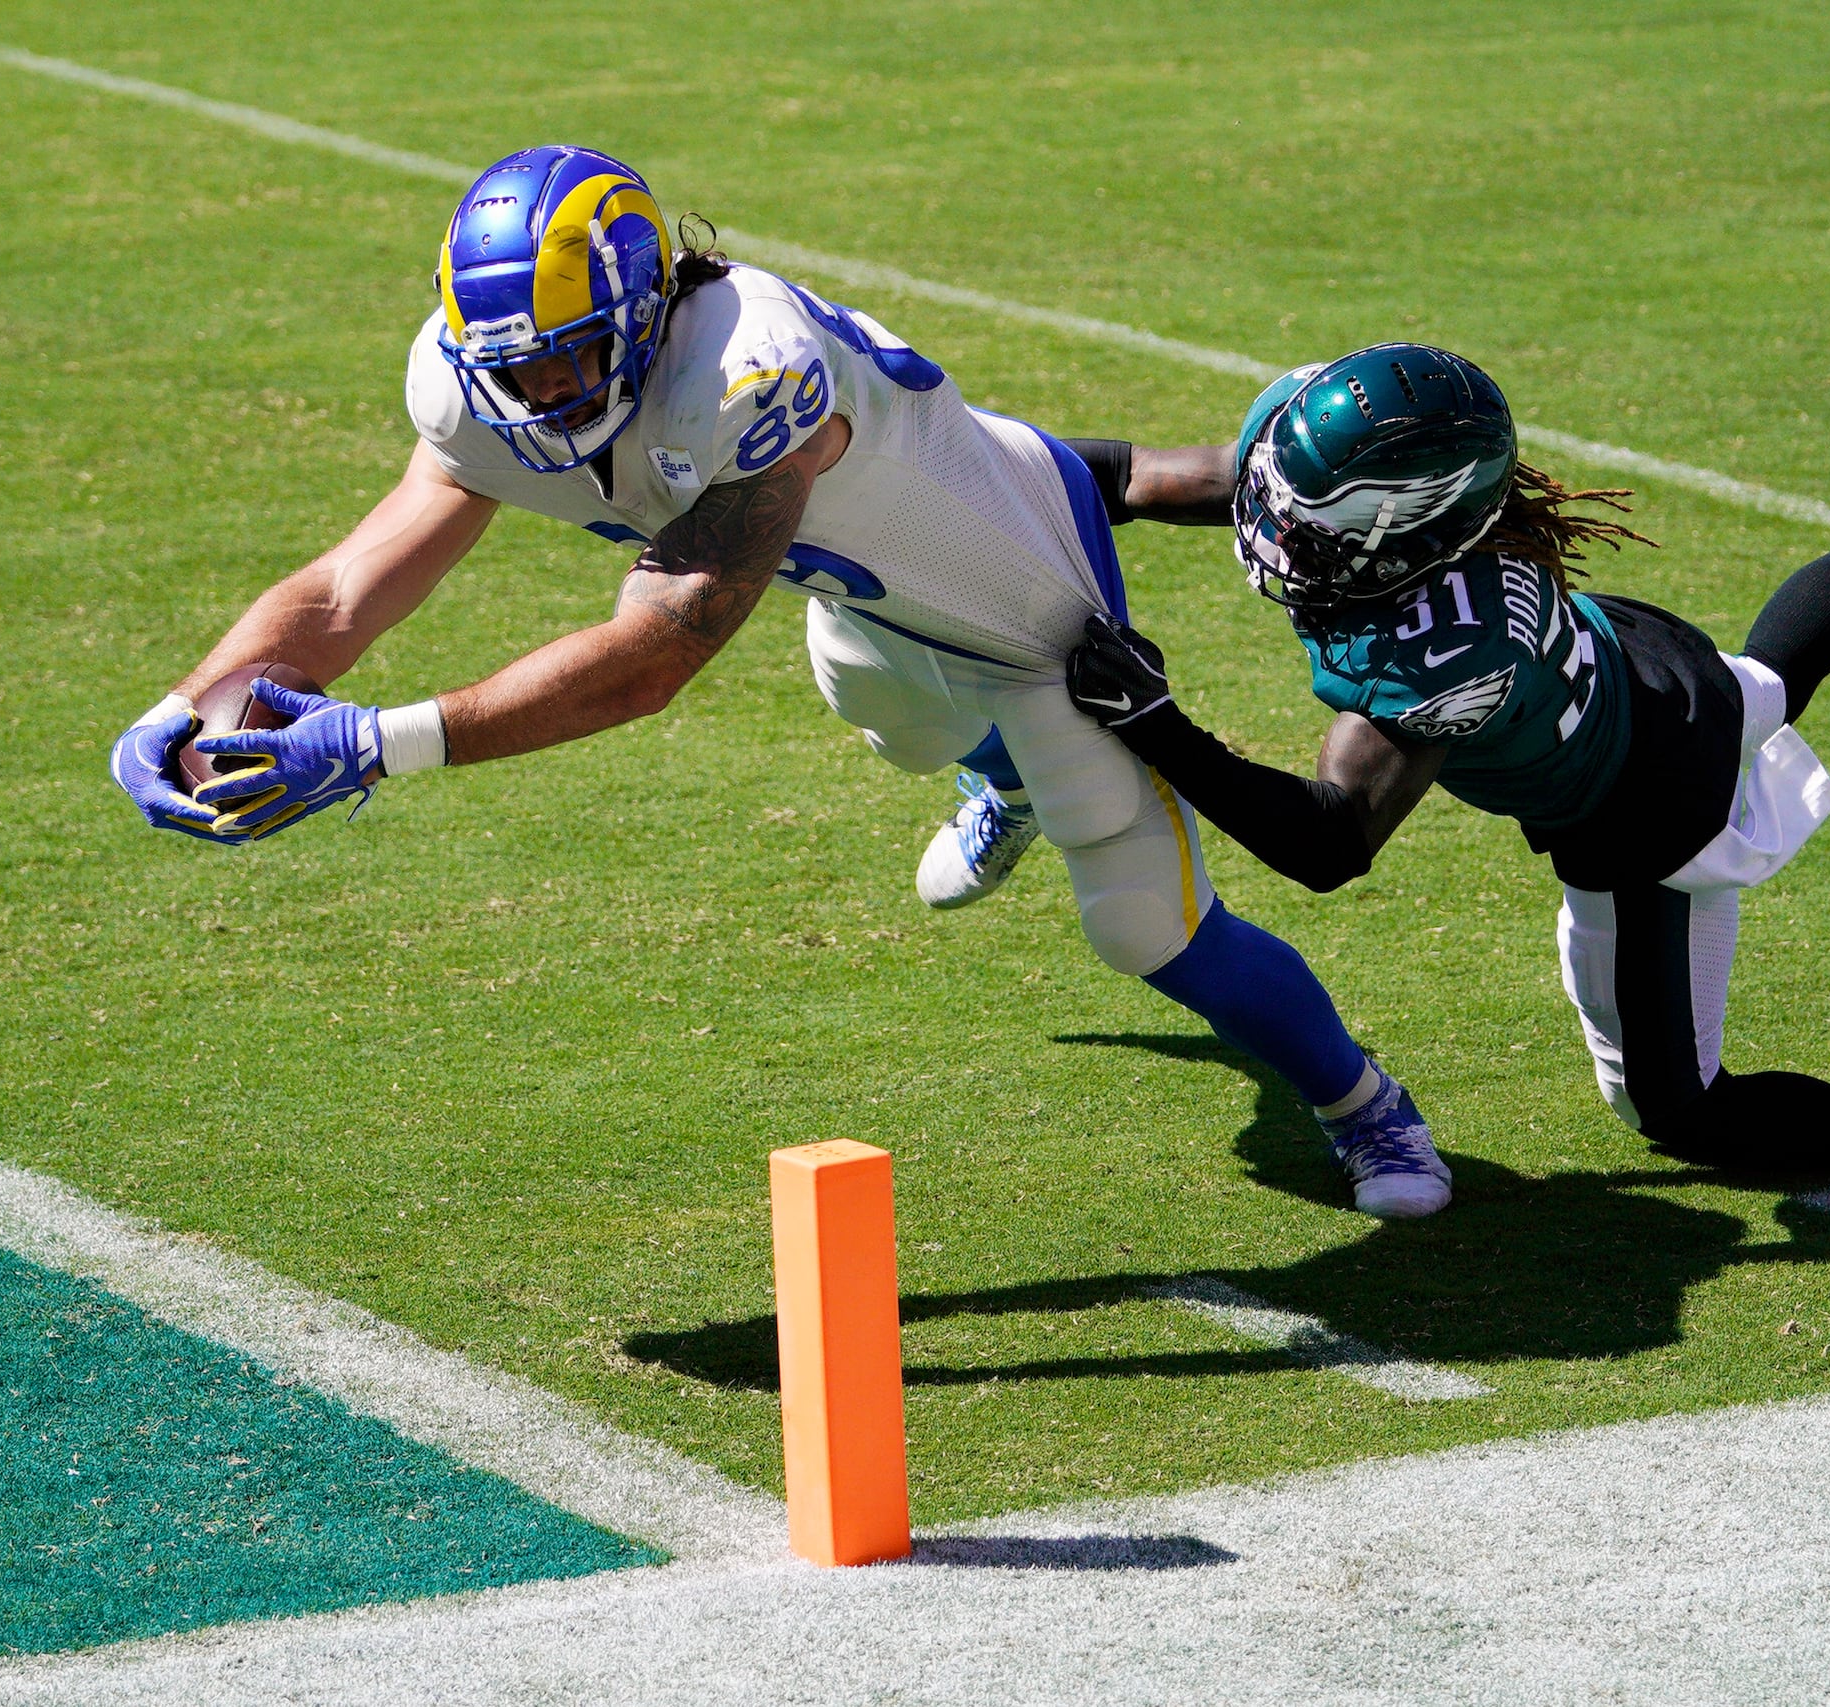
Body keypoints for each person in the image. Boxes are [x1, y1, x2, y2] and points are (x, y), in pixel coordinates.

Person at [104, 147, 1451, 1217]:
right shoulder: (487, 381)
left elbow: (651, 657)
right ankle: (1002, 780)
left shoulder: (751, 373)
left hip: (1025, 599)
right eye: (514, 365)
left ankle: (1360, 1099)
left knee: (1144, 928)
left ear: (641, 311)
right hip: (863, 591)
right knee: (880, 709)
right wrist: (195, 700)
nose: (538, 393)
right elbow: (347, 590)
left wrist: (378, 745)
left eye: (568, 358)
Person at [1054, 343, 1830, 1187]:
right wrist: (958, 457)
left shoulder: (1447, 654)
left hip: (1645, 807)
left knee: (1676, 1114)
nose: (1268, 530)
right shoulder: (1339, 457)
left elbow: (1328, 842)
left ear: (1411, 534)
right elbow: (1132, 475)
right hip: (1634, 658)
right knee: (1767, 683)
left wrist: (1155, 722)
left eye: (1306, 528)